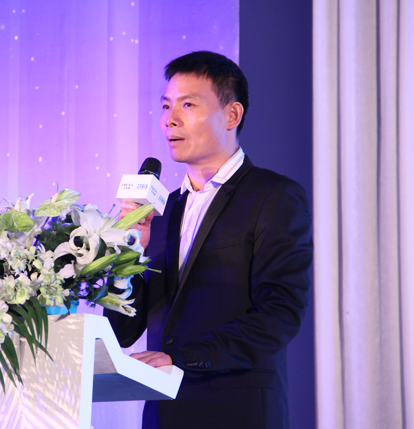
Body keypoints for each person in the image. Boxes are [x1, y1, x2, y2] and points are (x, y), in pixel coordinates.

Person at [104, 51, 313, 429]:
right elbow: (124, 332)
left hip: (238, 414)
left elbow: (279, 314)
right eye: (166, 106)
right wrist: (126, 257)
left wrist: (181, 359)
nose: (170, 119)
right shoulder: (162, 211)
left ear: (232, 115)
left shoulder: (274, 196)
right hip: (163, 416)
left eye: (188, 105)